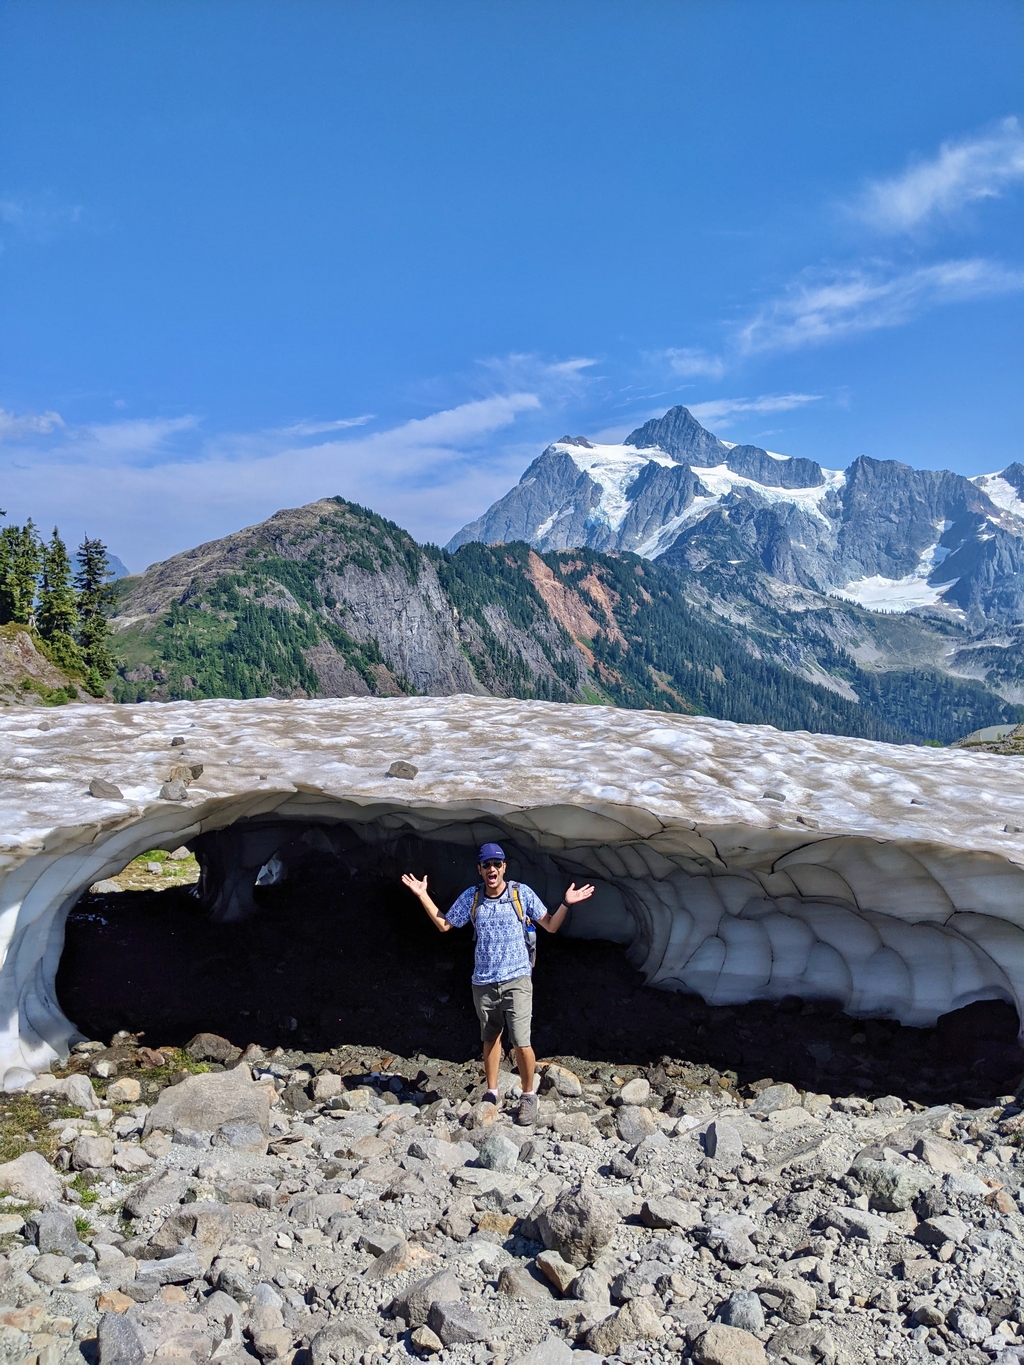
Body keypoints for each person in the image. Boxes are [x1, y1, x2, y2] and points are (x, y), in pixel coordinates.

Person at [401, 842, 595, 1124]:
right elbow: (445, 924)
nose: (492, 869)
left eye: (496, 864)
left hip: (517, 978)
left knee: (521, 1041)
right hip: (483, 981)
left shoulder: (521, 893)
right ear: (479, 869)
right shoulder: (473, 896)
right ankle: (492, 1092)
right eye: (486, 865)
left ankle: (528, 1096)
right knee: (490, 1038)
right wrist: (422, 895)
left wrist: (566, 903)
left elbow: (551, 925)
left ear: (504, 866)